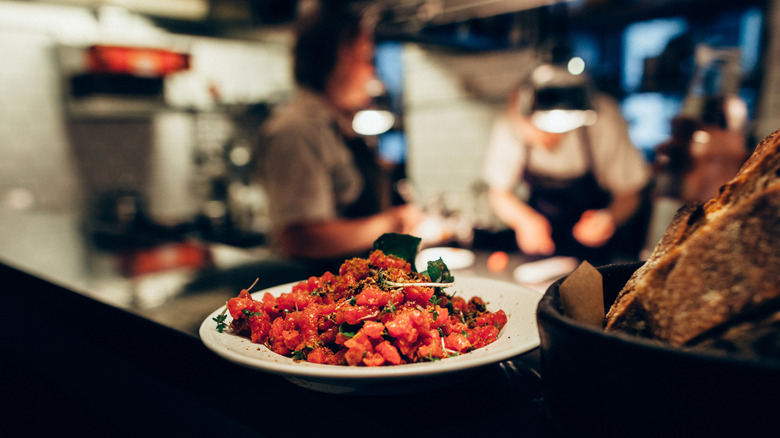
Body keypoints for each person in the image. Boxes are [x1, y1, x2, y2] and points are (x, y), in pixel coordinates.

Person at [253, 8, 423, 273]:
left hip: (354, 289)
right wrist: (392, 223)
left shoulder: (337, 127)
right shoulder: (296, 130)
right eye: (365, 59)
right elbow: (299, 238)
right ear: (335, 59)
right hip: (315, 296)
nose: (372, 72)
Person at [482, 64, 651, 263]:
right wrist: (524, 221)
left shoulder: (600, 117)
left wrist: (609, 217)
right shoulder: (512, 123)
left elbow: (630, 194)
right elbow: (499, 193)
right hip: (540, 252)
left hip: (596, 253)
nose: (546, 137)